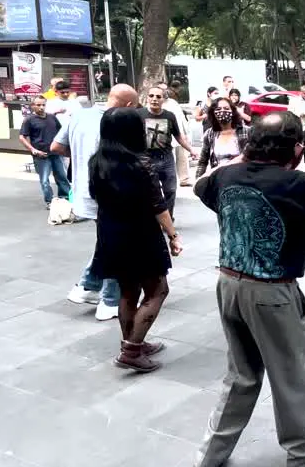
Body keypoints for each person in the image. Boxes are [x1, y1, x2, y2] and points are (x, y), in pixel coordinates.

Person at [191, 112, 305, 467]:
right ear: (298, 148)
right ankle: (304, 450)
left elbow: (199, 185)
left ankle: (209, 457)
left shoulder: (225, 176)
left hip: (228, 284)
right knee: (291, 372)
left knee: (240, 374)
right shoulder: (297, 183)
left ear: (249, 144)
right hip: (271, 291)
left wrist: (241, 157)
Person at [88, 108, 183, 373]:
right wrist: (173, 235)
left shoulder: (97, 162)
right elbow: (158, 205)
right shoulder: (141, 162)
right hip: (140, 234)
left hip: (110, 233)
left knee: (128, 291)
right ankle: (131, 350)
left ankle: (132, 342)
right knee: (158, 290)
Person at [53, 84, 139, 321]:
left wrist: (81, 160)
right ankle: (109, 301)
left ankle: (87, 285)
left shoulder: (80, 116)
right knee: (116, 245)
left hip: (83, 191)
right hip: (110, 193)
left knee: (107, 241)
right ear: (129, 105)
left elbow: (56, 147)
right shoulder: (117, 123)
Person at [140, 84, 195, 219]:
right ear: (147, 98)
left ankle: (168, 217)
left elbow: (178, 136)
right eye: (151, 96)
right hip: (146, 159)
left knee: (170, 190)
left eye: (158, 96)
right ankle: (151, 219)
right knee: (149, 191)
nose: (154, 99)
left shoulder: (169, 116)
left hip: (166, 158)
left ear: (163, 99)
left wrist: (191, 150)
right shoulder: (139, 115)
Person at [19, 96, 70, 207]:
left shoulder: (52, 118)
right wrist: (33, 150)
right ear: (33, 106)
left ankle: (65, 198)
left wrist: (64, 148)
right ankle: (50, 201)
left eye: (43, 105)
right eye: (38, 105)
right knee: (45, 180)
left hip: (56, 153)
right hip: (41, 155)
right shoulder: (29, 120)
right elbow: (22, 137)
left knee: (62, 177)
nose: (41, 107)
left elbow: (61, 133)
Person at [197, 97, 251, 176]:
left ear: (233, 111)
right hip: (218, 179)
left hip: (242, 178)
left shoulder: (247, 132)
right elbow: (202, 162)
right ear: (213, 113)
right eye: (218, 109)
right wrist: (198, 181)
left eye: (226, 108)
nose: (222, 111)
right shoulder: (209, 134)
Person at [163, 83, 194, 187]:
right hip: (165, 136)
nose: (164, 91)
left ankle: (184, 178)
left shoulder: (173, 103)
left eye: (165, 89)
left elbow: (181, 119)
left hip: (179, 134)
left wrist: (185, 132)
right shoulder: (155, 103)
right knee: (170, 159)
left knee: (183, 157)